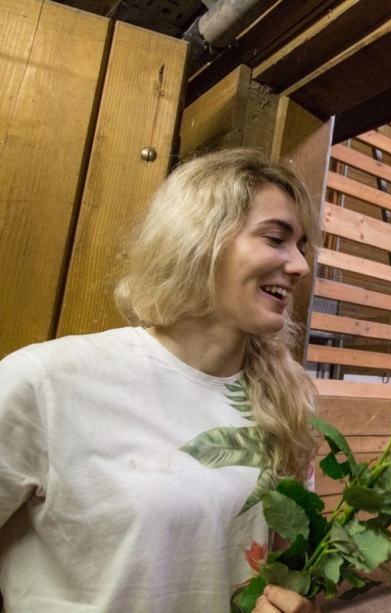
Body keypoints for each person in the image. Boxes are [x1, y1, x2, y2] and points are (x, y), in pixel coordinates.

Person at [0, 149, 322, 612]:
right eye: (276, 238)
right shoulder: (47, 382)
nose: (299, 266)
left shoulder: (285, 405)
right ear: (199, 239)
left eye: (302, 247)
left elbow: (283, 569)